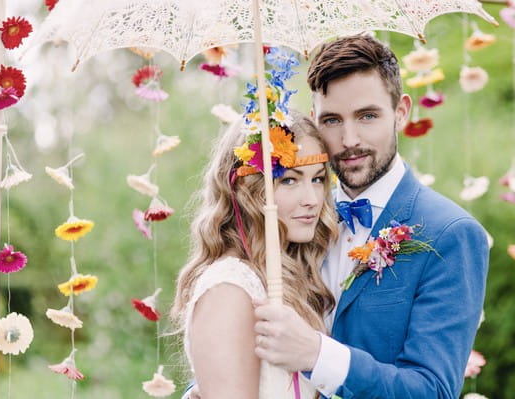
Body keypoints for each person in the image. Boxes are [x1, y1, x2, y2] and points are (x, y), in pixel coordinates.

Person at [252, 34, 490, 399]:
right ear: (314, 120)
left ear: (401, 111)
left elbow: (433, 390)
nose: (349, 140)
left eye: (367, 116)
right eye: (332, 120)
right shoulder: (295, 218)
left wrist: (316, 355)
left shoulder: (451, 234)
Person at [170, 100, 339, 398]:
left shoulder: (289, 277)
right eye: (289, 180)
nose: (312, 198)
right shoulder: (229, 288)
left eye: (317, 179)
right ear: (249, 189)